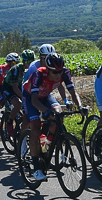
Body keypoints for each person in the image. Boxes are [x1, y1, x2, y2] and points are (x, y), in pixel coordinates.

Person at [23, 53, 82, 181]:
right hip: (30, 97)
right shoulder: (39, 74)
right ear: (48, 69)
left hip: (45, 96)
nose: (58, 75)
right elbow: (34, 101)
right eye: (55, 72)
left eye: (60, 72)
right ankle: (36, 167)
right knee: (35, 126)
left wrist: (80, 106)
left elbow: (73, 92)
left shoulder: (65, 73)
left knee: (59, 114)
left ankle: (47, 143)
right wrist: (45, 111)